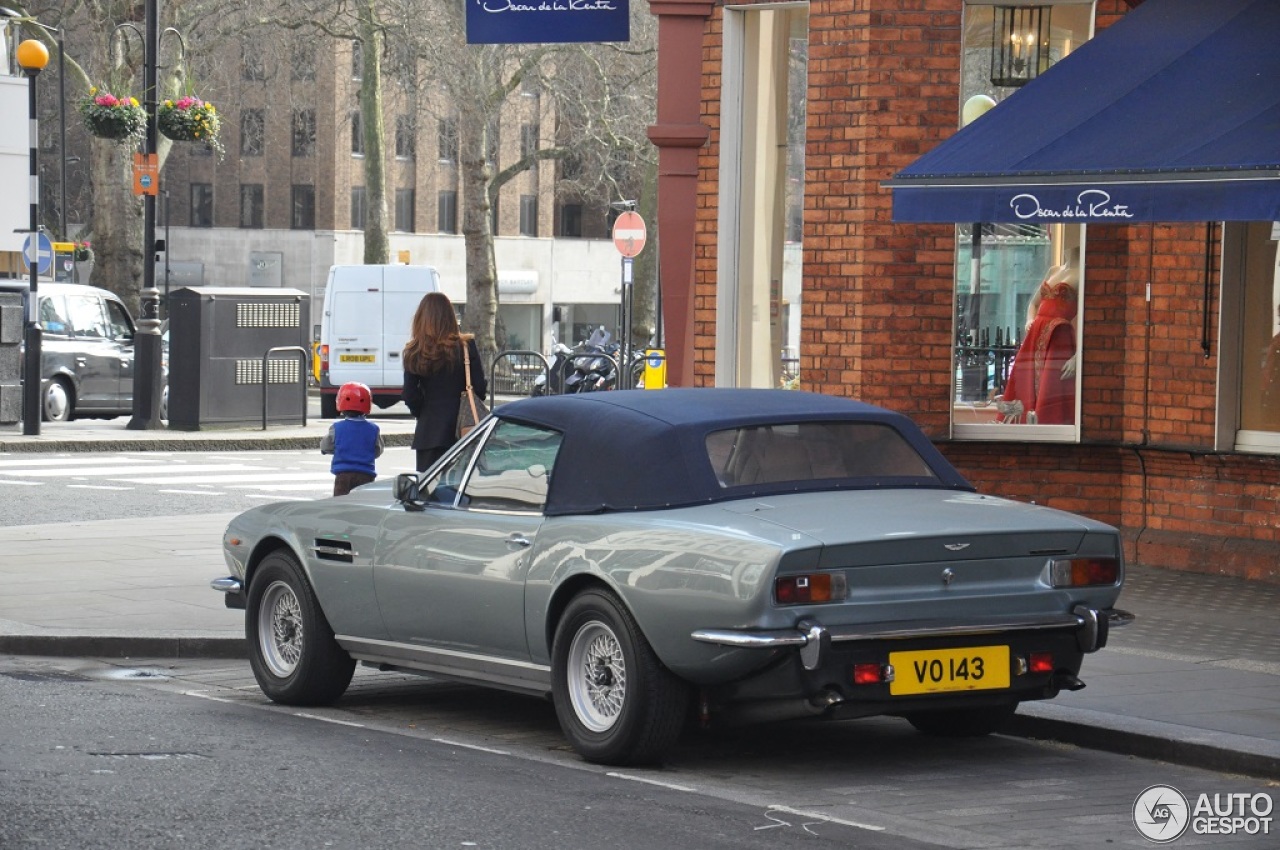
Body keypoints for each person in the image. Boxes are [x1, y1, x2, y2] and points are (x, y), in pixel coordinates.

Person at [401, 292, 488, 472]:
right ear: (450, 317)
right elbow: (479, 388)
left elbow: (410, 395)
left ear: (421, 319)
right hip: (465, 431)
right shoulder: (466, 346)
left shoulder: (414, 351)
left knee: (430, 492)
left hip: (429, 433)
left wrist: (424, 413)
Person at [998, 248, 1079, 425]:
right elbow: (1034, 304)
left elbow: (1091, 319)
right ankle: (1019, 425)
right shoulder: (1054, 270)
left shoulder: (1083, 274)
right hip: (1035, 335)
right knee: (1024, 384)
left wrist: (1078, 356)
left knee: (1050, 388)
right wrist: (1029, 320)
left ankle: (1047, 426)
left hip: (1059, 337)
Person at [321, 382, 384, 496]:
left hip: (343, 475)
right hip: (366, 476)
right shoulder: (374, 429)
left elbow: (325, 446)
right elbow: (378, 450)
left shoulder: (337, 428)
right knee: (363, 506)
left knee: (341, 506)